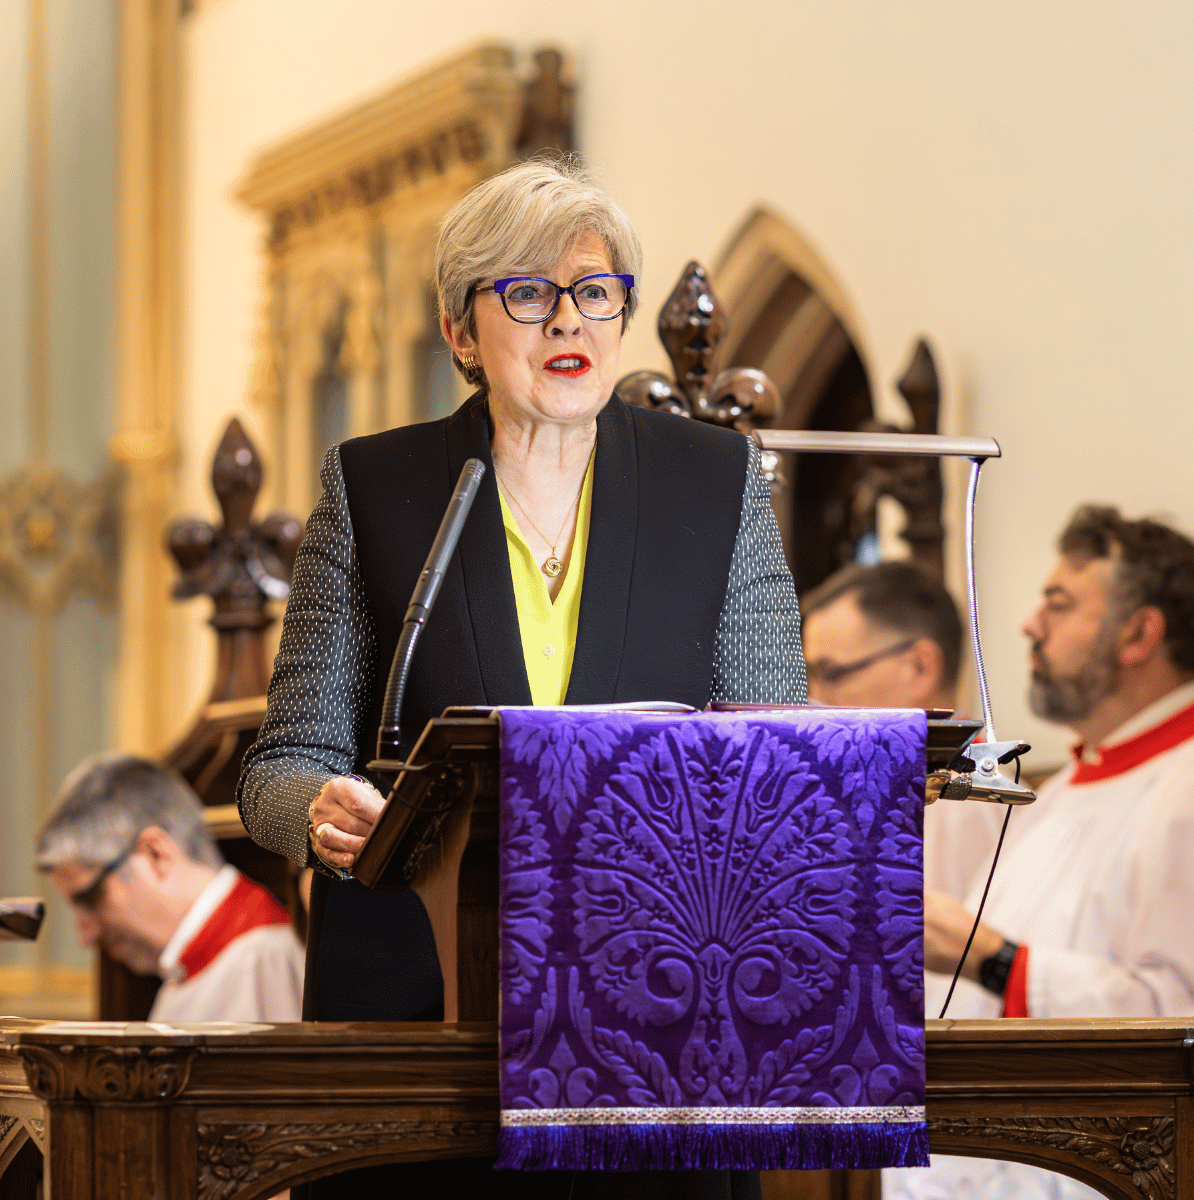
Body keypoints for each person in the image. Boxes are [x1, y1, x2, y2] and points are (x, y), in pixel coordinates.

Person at [237, 158, 805, 1199]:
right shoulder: (377, 487)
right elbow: (283, 764)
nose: (566, 324)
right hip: (425, 1013)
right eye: (528, 294)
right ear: (463, 331)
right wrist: (319, 809)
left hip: (658, 1018)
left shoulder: (716, 483)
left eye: (594, 292)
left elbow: (780, 750)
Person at [887, 505, 1194, 1200]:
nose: (1032, 624)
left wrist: (993, 957)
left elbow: (1182, 1025)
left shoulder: (1189, 786)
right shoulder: (1072, 785)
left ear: (1140, 633)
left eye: (1059, 604)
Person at [37, 753, 304, 1023]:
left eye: (91, 897)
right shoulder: (188, 967)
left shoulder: (264, 961)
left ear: (155, 854)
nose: (86, 936)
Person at [800, 560, 1005, 900]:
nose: (814, 698)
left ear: (920, 667)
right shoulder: (872, 779)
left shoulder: (974, 801)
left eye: (831, 673)